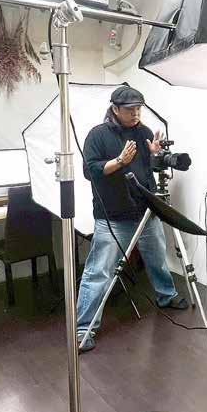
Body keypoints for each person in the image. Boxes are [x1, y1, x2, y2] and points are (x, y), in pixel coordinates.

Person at [76, 85, 188, 353]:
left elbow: (149, 170)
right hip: (112, 216)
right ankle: (84, 327)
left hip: (145, 211)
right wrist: (118, 161)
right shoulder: (98, 135)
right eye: (130, 109)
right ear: (115, 109)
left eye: (139, 108)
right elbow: (90, 171)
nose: (136, 113)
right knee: (99, 271)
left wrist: (155, 156)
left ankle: (166, 296)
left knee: (157, 258)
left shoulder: (144, 132)